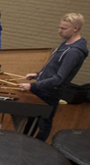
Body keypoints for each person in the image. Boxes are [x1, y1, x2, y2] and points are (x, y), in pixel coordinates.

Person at [19, 12, 87, 140]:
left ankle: (37, 146)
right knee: (32, 117)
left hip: (51, 91)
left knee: (44, 123)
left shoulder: (74, 52)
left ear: (75, 29)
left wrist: (32, 85)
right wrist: (38, 74)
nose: (59, 31)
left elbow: (59, 78)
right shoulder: (66, 43)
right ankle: (25, 139)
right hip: (43, 87)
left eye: (64, 28)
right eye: (59, 27)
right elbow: (53, 67)